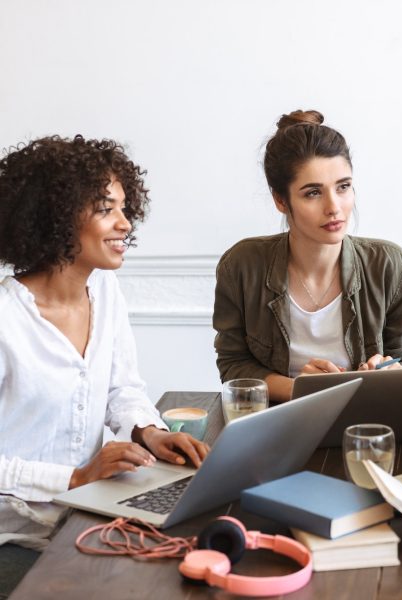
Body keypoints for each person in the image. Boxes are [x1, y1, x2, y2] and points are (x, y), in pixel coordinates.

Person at [0, 135, 208, 597]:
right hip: (13, 536)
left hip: (83, 514)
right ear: (55, 216)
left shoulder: (106, 293)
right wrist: (73, 478)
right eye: (105, 208)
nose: (124, 223)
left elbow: (122, 389)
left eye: (124, 207)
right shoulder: (5, 320)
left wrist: (149, 431)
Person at [213, 110, 402, 402]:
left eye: (343, 187)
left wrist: (389, 374)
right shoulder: (241, 266)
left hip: (367, 424)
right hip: (278, 422)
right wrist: (301, 390)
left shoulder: (393, 266)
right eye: (313, 193)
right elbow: (233, 365)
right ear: (280, 200)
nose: (334, 207)